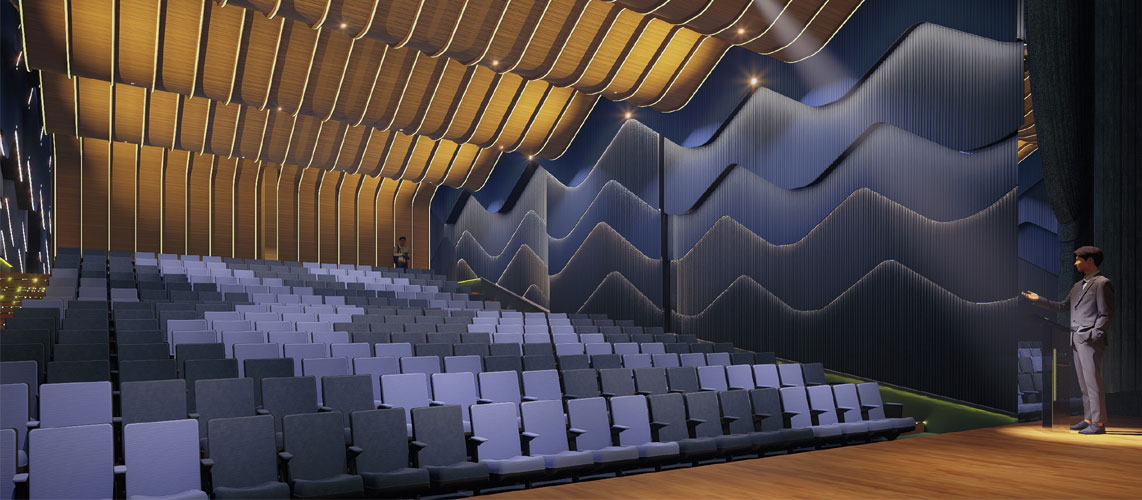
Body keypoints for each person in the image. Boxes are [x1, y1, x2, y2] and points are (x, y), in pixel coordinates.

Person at [1021, 246, 1114, 435]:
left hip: (1090, 341)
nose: (1075, 263)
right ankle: (1088, 419)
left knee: (1093, 383)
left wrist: (1095, 335)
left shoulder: (1102, 283)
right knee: (1084, 383)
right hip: (1076, 339)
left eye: (1078, 259)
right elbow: (1062, 306)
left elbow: (1105, 313)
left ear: (1090, 261)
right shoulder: (1077, 286)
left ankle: (1098, 423)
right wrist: (1039, 299)